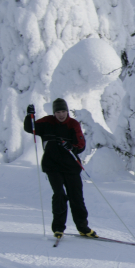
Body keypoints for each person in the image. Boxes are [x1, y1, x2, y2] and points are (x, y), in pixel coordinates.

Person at [23, 98, 97, 241]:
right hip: (52, 167)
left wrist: (72, 147)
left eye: (63, 111)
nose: (61, 114)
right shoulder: (47, 122)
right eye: (58, 112)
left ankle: (83, 228)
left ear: (67, 112)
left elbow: (81, 144)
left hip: (71, 167)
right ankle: (58, 228)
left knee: (76, 198)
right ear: (54, 112)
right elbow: (30, 128)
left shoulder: (73, 124)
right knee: (59, 195)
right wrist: (29, 116)